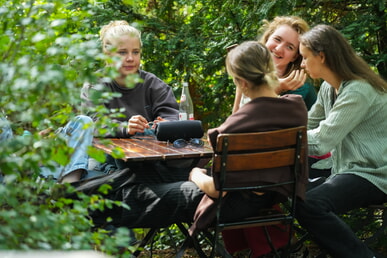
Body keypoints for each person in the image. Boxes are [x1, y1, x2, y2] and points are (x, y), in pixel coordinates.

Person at [74, 42, 308, 247]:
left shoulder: (231, 130)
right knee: (144, 174)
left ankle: (78, 198)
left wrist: (195, 174)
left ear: (242, 83)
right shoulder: (296, 108)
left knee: (128, 197)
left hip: (227, 203)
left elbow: (216, 189)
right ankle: (81, 193)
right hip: (273, 197)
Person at [295, 24, 387, 258]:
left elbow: (323, 140)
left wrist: (277, 140)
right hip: (345, 169)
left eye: (305, 58)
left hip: (375, 173)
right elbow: (307, 125)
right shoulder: (329, 87)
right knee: (290, 193)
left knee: (310, 203)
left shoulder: (358, 90)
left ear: (322, 56)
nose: (302, 64)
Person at [81, 20, 196, 182]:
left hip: (150, 158)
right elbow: (94, 124)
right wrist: (125, 128)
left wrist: (164, 125)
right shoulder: (95, 85)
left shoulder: (153, 84)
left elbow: (172, 116)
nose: (130, 58)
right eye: (122, 52)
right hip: (107, 160)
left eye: (135, 52)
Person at [232, 16, 317, 113]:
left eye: (289, 47)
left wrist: (277, 88)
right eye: (277, 39)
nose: (279, 48)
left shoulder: (301, 87)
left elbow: (255, 119)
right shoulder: (247, 73)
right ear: (267, 38)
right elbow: (236, 118)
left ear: (295, 56)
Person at [0, 112, 94, 183]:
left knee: (82, 121)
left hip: (27, 160)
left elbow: (9, 145)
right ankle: (68, 186)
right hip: (19, 172)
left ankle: (70, 180)